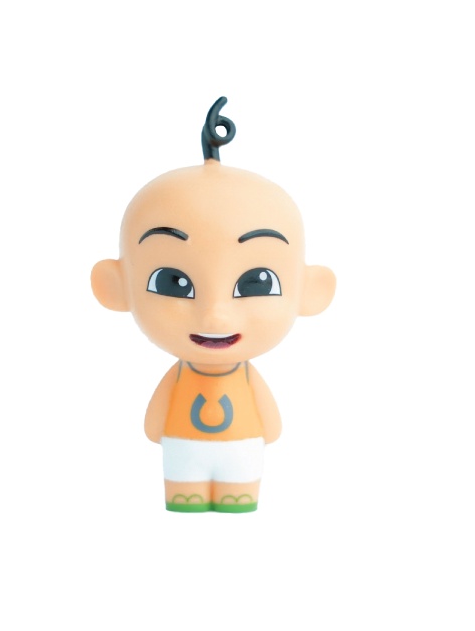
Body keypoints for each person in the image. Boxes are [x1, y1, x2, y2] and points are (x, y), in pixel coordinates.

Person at [91, 97, 335, 512]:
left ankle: (234, 497)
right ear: (115, 286)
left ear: (310, 290)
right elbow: (271, 430)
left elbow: (268, 425)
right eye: (173, 282)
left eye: (256, 282)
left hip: (239, 452)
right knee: (185, 495)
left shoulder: (245, 377)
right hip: (186, 454)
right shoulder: (184, 374)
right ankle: (188, 498)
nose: (215, 314)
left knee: (237, 494)